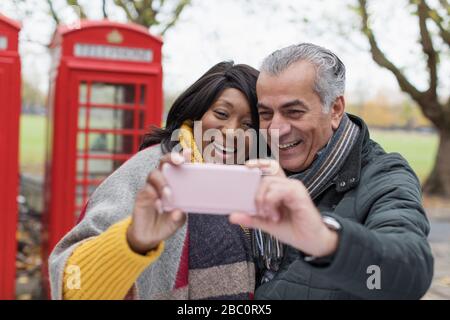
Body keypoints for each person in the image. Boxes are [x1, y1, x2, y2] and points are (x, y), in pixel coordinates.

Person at [229, 43, 434, 299]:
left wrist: (326, 241)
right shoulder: (253, 166)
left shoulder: (385, 174)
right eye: (266, 114)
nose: (276, 128)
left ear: (335, 109)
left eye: (294, 112)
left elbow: (409, 275)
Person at [49, 61, 260, 300]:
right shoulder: (152, 170)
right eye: (221, 114)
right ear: (197, 111)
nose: (232, 132)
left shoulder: (253, 181)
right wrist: (131, 243)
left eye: (248, 125)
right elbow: (71, 280)